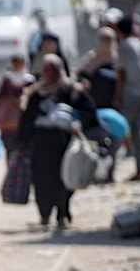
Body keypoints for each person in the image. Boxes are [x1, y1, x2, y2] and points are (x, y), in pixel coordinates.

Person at [18, 54, 102, 230]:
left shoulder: (71, 91)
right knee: (42, 181)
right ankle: (44, 214)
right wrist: (21, 143)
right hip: (41, 145)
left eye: (52, 70)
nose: (49, 73)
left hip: (64, 145)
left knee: (65, 180)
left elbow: (90, 113)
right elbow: (27, 121)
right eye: (46, 70)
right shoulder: (36, 93)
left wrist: (77, 124)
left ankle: (62, 213)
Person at [114, 16, 140, 182]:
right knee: (137, 132)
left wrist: (117, 97)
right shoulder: (138, 43)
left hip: (131, 94)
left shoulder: (124, 46)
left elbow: (121, 74)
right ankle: (139, 169)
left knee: (118, 129)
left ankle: (110, 170)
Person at [0, 53, 35, 156]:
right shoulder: (7, 79)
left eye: (19, 63)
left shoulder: (29, 80)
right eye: (15, 63)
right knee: (9, 149)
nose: (16, 66)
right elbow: (0, 97)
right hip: (8, 122)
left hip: (24, 121)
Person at [75, 27, 118, 110]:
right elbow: (80, 73)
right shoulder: (91, 57)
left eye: (108, 39)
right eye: (103, 39)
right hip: (96, 96)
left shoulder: (117, 57)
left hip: (112, 96)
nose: (105, 42)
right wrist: (84, 81)